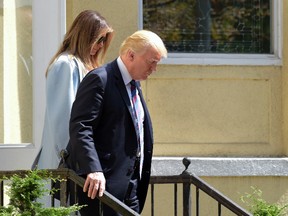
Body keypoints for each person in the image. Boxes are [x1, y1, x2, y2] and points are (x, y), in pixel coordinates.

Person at [65, 30, 167, 215]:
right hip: (102, 187)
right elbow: (81, 127)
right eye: (152, 62)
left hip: (131, 188)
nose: (154, 68)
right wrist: (93, 169)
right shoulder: (100, 79)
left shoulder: (134, 84)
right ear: (130, 55)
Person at [33, 10, 114, 170]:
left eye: (104, 40)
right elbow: (64, 120)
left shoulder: (85, 66)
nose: (101, 45)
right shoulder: (65, 64)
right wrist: (81, 161)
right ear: (85, 36)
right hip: (71, 165)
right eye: (99, 39)